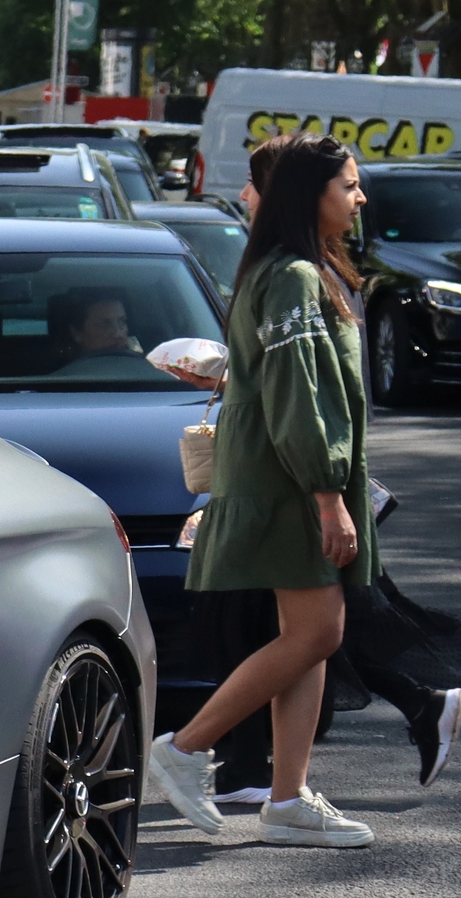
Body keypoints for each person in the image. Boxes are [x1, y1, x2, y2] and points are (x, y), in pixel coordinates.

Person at [149, 133, 378, 848]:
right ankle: (185, 748)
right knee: (319, 630)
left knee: (305, 639)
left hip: (288, 479)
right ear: (311, 194)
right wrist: (326, 493)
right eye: (348, 185)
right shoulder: (292, 277)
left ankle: (287, 797)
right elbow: (297, 395)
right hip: (288, 483)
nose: (359, 197)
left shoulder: (298, 269)